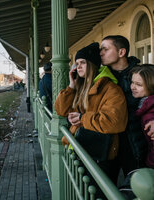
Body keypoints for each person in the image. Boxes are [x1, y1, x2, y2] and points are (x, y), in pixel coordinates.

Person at [55, 42, 127, 183]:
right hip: (80, 149)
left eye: (82, 62)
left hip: (100, 156)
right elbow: (61, 110)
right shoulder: (81, 87)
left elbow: (114, 122)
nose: (78, 67)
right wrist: (71, 86)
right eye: (76, 63)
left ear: (93, 64)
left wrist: (82, 118)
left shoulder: (111, 89)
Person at [100, 35, 148, 177]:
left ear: (122, 52)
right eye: (100, 50)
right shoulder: (101, 78)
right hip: (107, 145)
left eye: (106, 49)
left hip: (135, 144)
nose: (101, 53)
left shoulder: (142, 74)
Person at [130, 64, 154, 168]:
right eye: (132, 82)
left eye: (139, 84)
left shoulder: (149, 116)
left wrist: (149, 164)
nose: (132, 87)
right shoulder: (145, 105)